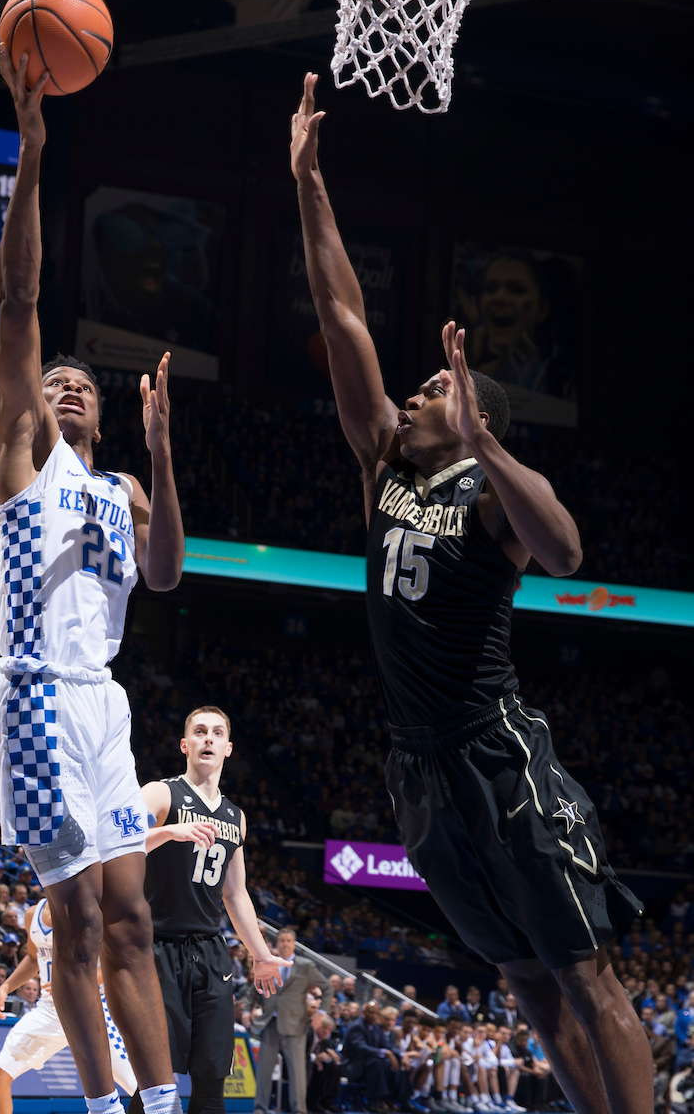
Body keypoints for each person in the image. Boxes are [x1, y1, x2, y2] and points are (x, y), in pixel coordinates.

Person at [289, 71, 650, 1114]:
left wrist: (491, 445)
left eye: (435, 387)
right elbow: (338, 307)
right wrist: (308, 180)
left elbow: (568, 550)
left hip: (498, 755)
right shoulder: (382, 464)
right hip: (421, 776)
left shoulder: (487, 496)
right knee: (524, 980)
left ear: (475, 415)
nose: (411, 391)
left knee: (582, 970)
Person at [0, 44, 186, 1114]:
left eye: (78, 384)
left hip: (103, 703)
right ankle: (105, 1108)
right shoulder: (24, 453)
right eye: (50, 379)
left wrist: (157, 454)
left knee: (134, 920)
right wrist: (31, 149)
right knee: (77, 924)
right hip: (32, 698)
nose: (61, 385)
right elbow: (20, 296)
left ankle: (161, 1101)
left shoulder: (122, 491)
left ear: (97, 414)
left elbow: (161, 578)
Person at [137, 706, 286, 1114]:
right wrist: (168, 831)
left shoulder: (236, 817)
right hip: (158, 948)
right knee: (156, 1083)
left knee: (212, 1081)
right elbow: (116, 844)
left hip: (211, 953)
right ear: (185, 745)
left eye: (216, 733)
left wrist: (260, 954)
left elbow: (235, 894)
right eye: (199, 732)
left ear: (228, 747)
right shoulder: (161, 793)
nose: (208, 738)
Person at [0, 898, 137, 1114]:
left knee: (139, 1087)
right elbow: (33, 957)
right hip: (50, 1011)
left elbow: (117, 962)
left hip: (94, 1008)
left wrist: (73, 980)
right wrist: (6, 987)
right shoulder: (32, 914)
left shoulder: (92, 909)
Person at [252, 928, 331, 1114]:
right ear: (277, 943)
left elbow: (327, 988)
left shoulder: (305, 965)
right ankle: (260, 1109)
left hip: (296, 1025)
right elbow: (257, 989)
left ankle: (299, 1110)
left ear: (294, 943)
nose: (285, 943)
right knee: (264, 1071)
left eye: (288, 940)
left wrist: (321, 1012)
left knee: (297, 1073)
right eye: (282, 940)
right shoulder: (269, 963)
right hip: (271, 1023)